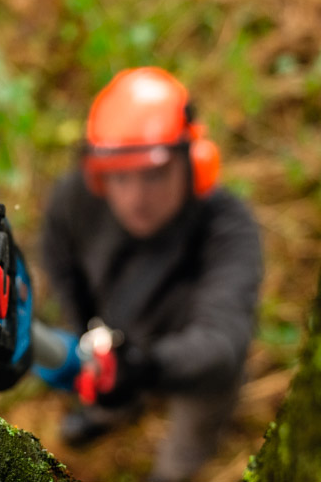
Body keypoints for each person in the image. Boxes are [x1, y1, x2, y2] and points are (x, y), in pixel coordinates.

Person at [37, 67, 263, 482]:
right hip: (118, 340)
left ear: (195, 162)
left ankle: (174, 469)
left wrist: (145, 367)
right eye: (119, 176)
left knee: (197, 423)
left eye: (155, 174)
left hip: (192, 365)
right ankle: (112, 412)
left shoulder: (230, 230)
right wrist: (89, 333)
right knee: (110, 386)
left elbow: (221, 343)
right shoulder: (76, 200)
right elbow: (60, 263)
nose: (135, 197)